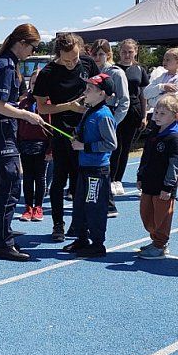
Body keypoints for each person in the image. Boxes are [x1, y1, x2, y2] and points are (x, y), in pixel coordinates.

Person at [0, 23, 44, 261]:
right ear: (22, 43)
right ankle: (4, 242)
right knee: (10, 184)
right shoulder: (6, 66)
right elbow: (0, 105)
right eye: (33, 48)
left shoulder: (6, 64)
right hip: (1, 129)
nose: (33, 53)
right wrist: (28, 115)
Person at [33, 33, 99, 242]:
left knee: (81, 179)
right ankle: (58, 225)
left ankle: (80, 224)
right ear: (58, 55)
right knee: (59, 179)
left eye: (75, 59)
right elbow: (42, 107)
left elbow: (101, 87)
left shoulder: (87, 63)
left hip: (85, 130)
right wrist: (68, 106)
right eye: (66, 60)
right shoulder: (48, 73)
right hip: (61, 131)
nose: (72, 64)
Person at [62, 74, 117, 258]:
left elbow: (111, 144)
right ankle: (81, 238)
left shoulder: (104, 115)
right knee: (80, 205)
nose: (85, 92)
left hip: (97, 170)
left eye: (90, 89)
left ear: (102, 94)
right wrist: (77, 136)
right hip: (84, 167)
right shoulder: (89, 111)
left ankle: (97, 243)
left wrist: (84, 146)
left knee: (94, 206)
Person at [136, 94, 178, 259]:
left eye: (162, 114)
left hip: (163, 186)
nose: (157, 116)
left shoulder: (174, 138)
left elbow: (174, 164)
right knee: (146, 214)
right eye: (156, 112)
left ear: (176, 117)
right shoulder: (154, 132)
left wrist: (168, 186)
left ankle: (160, 244)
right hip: (149, 181)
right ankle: (155, 240)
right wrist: (140, 175)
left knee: (161, 217)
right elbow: (146, 156)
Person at [143, 47, 178, 202]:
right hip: (158, 119)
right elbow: (146, 94)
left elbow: (171, 102)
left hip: (175, 120)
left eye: (168, 60)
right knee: (153, 150)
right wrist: (161, 88)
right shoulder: (161, 77)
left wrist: (155, 99)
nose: (164, 62)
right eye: (164, 59)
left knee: (177, 153)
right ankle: (151, 182)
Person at [88, 39, 129, 218]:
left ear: (109, 54)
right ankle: (96, 201)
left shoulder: (116, 73)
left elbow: (124, 101)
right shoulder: (90, 71)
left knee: (105, 162)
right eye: (94, 54)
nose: (97, 57)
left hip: (109, 116)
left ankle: (109, 204)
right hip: (93, 116)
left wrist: (113, 122)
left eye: (101, 54)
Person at [109, 39, 149, 197]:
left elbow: (143, 95)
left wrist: (145, 115)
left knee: (126, 148)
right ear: (119, 52)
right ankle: (110, 179)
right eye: (124, 52)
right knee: (114, 147)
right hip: (116, 111)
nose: (127, 55)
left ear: (136, 52)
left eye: (130, 52)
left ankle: (118, 180)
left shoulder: (139, 69)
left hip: (133, 112)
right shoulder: (114, 69)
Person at [17, 69, 50, 222]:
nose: (36, 85)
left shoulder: (48, 104)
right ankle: (28, 206)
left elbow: (51, 128)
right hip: (25, 145)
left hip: (42, 146)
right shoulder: (23, 103)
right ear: (30, 84)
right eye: (34, 82)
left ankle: (38, 206)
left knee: (40, 177)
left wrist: (50, 149)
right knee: (28, 177)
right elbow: (17, 125)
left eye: (39, 82)